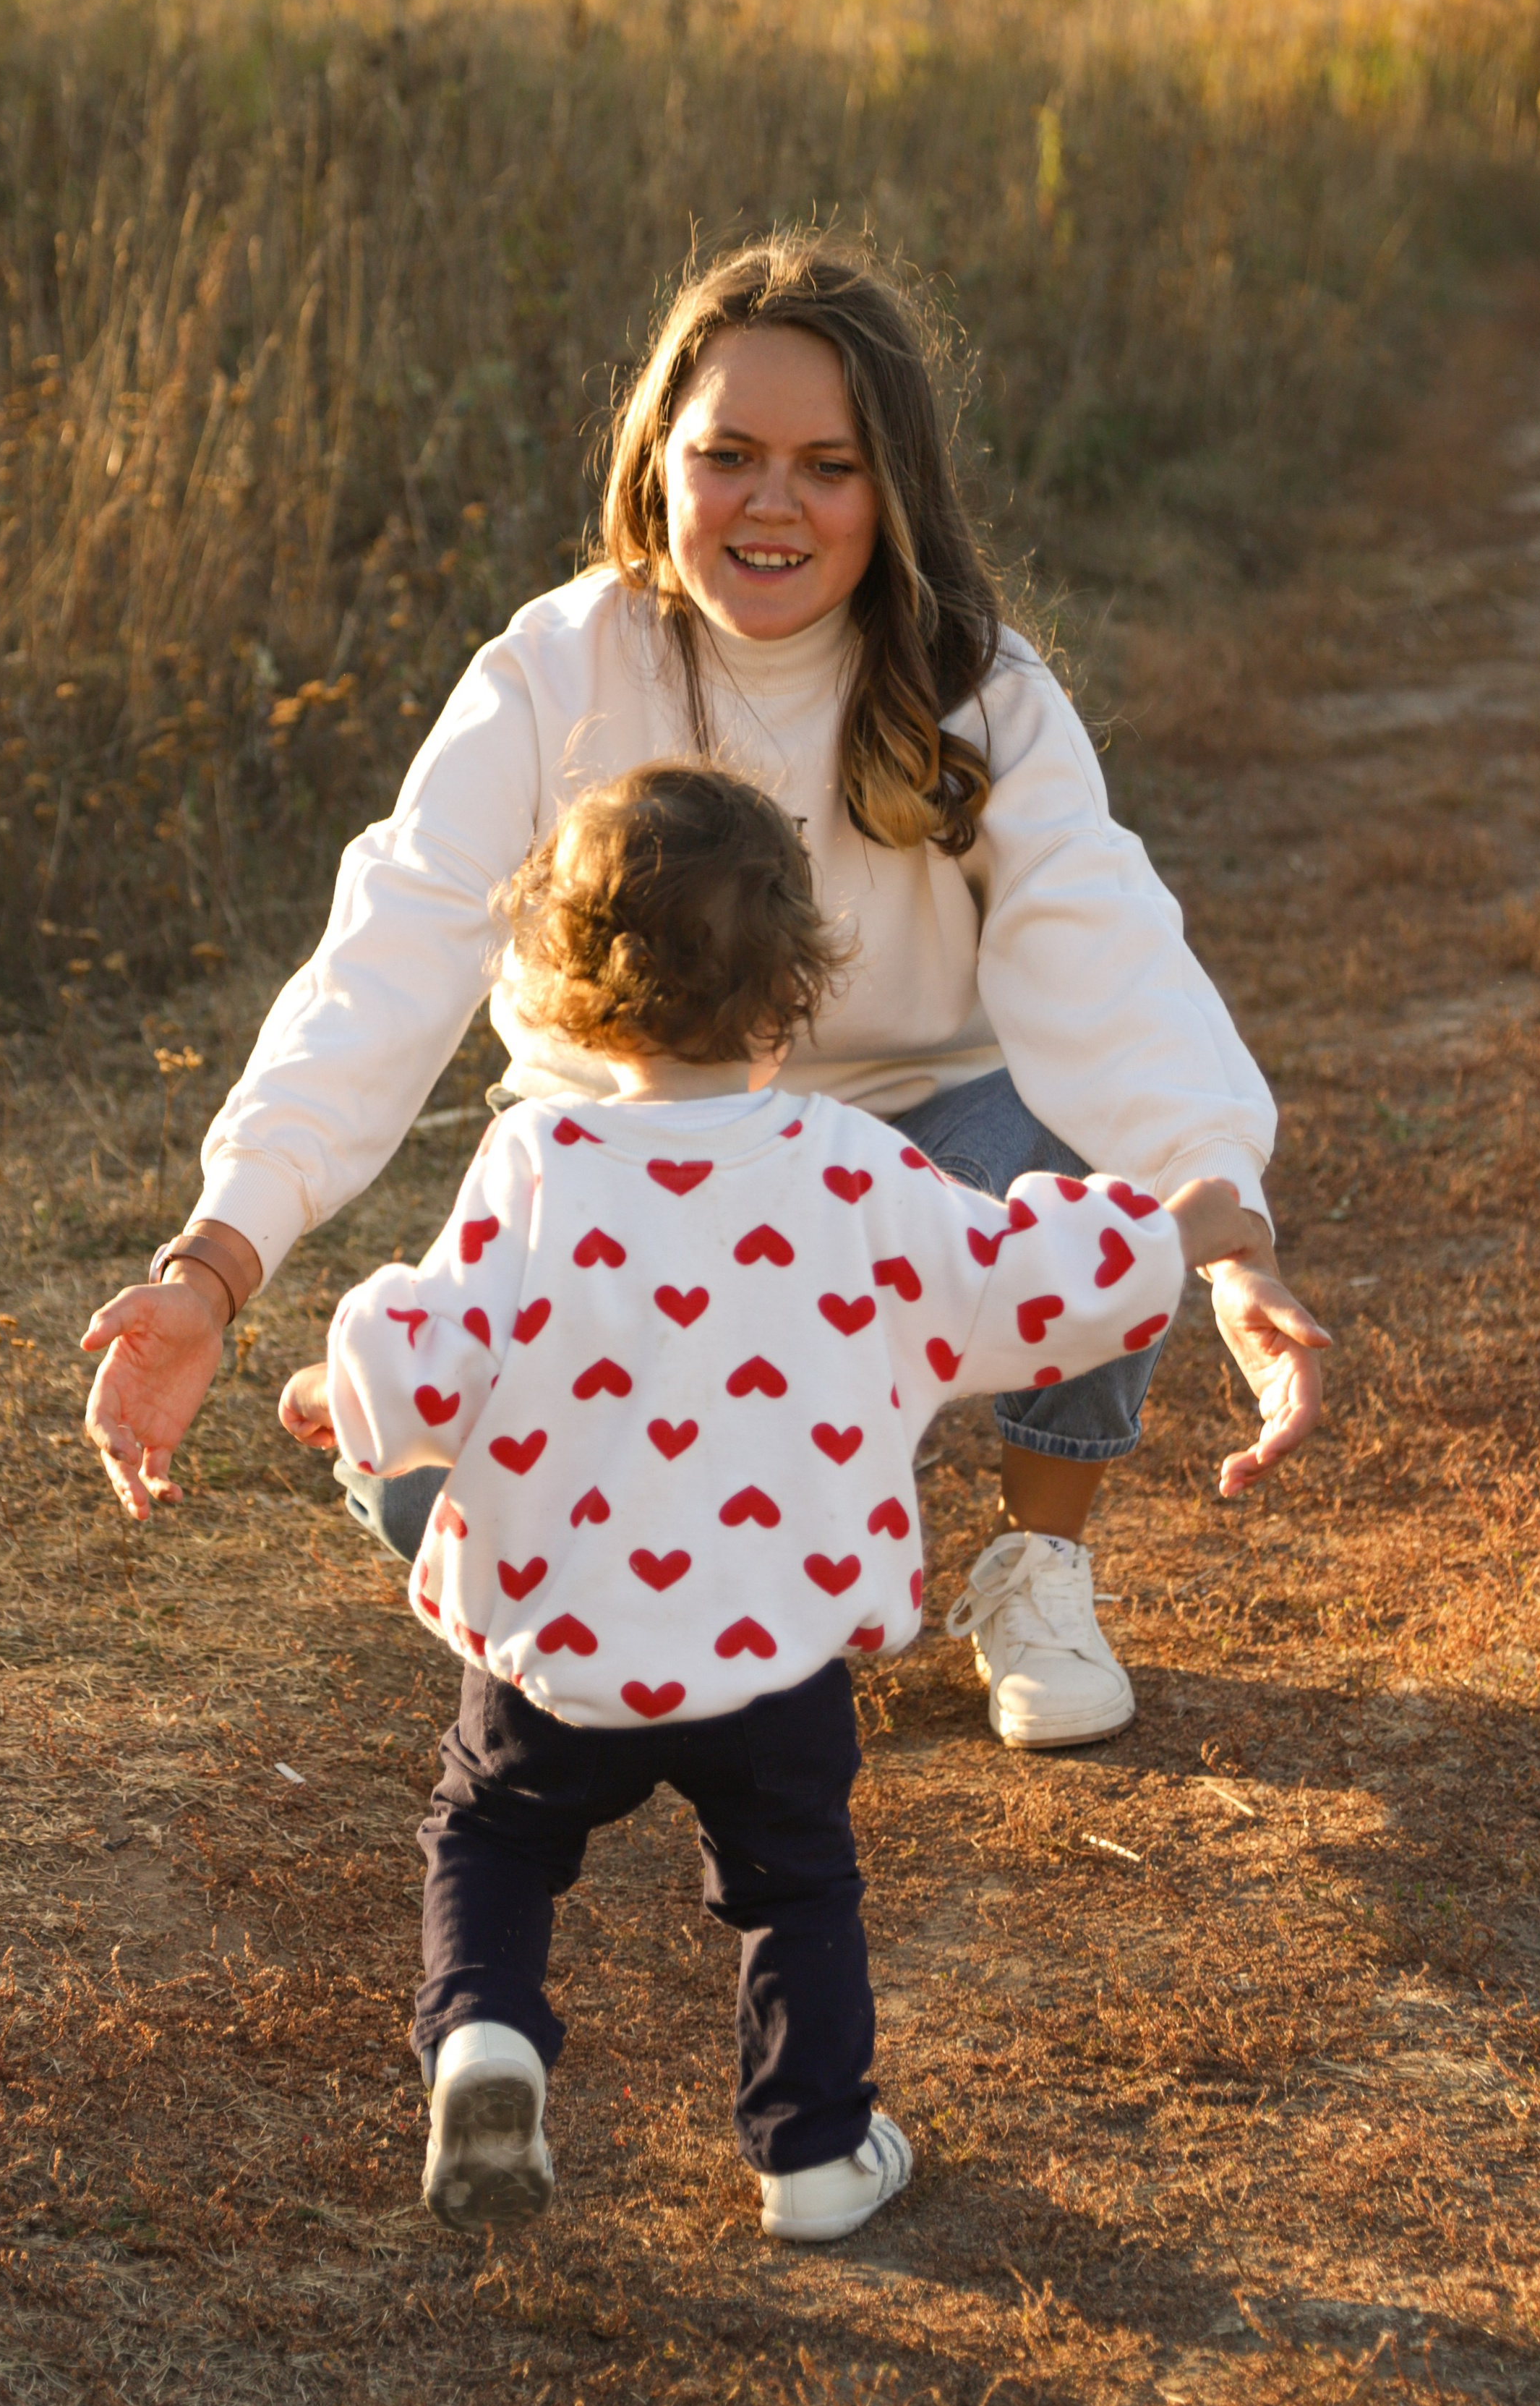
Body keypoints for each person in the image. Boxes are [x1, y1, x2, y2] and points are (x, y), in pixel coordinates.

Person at [83, 229, 1330, 1752]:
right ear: (658, 461)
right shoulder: (554, 666)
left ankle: (1036, 1564)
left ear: (892, 488)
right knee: (418, 1491)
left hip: (917, 1145)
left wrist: (1225, 1224)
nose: (771, 504)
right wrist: (214, 1262)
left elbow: (1107, 954)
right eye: (728, 456)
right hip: (615, 1149)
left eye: (827, 467)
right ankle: (694, 1570)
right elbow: (389, 948)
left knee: (1099, 1151)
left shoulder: (978, 689)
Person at [276, 764, 1267, 2240]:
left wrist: (342, 1379)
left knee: (492, 1838)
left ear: (562, 987)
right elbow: (1020, 1286)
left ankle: (483, 2035)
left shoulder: (536, 1161)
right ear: (793, 989)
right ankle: (811, 2152)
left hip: (557, 1645)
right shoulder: (851, 1170)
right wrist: (1178, 1229)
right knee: (795, 1889)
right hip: (773, 1647)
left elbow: (439, 1349)